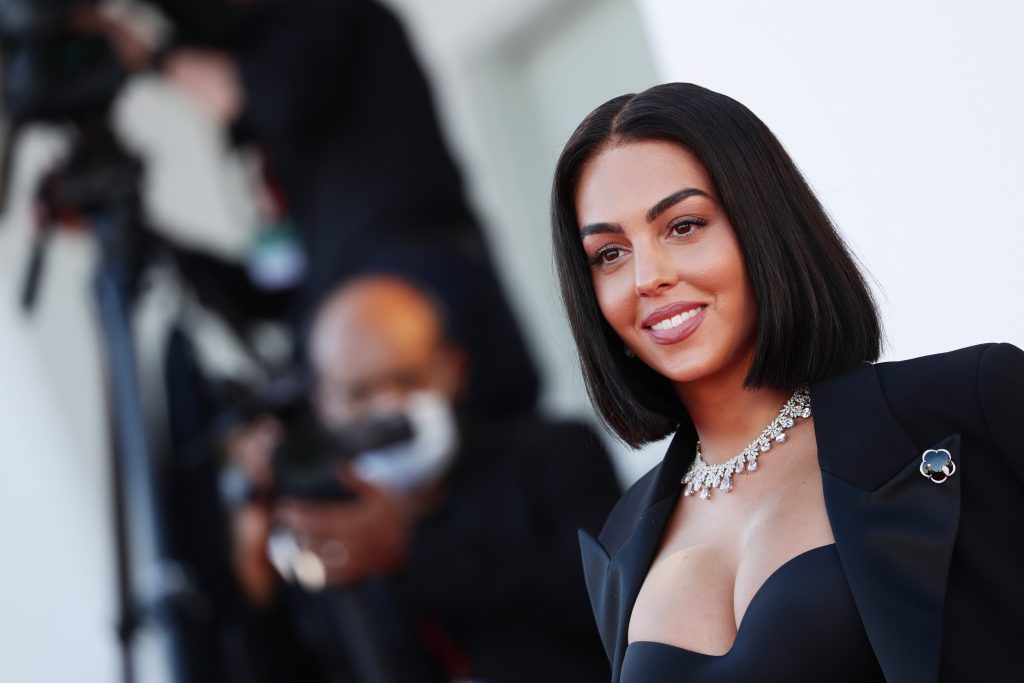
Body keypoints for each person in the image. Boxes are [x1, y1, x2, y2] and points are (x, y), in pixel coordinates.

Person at [550, 82, 1024, 682]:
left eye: (684, 225)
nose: (648, 277)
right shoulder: (620, 541)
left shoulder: (969, 405)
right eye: (609, 254)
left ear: (762, 226)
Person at [227, 273, 620, 682]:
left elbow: (609, 604)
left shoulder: (555, 454)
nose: (388, 408)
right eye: (359, 393)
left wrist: (415, 551)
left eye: (407, 379)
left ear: (454, 369)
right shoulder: (321, 520)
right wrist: (254, 577)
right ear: (321, 403)